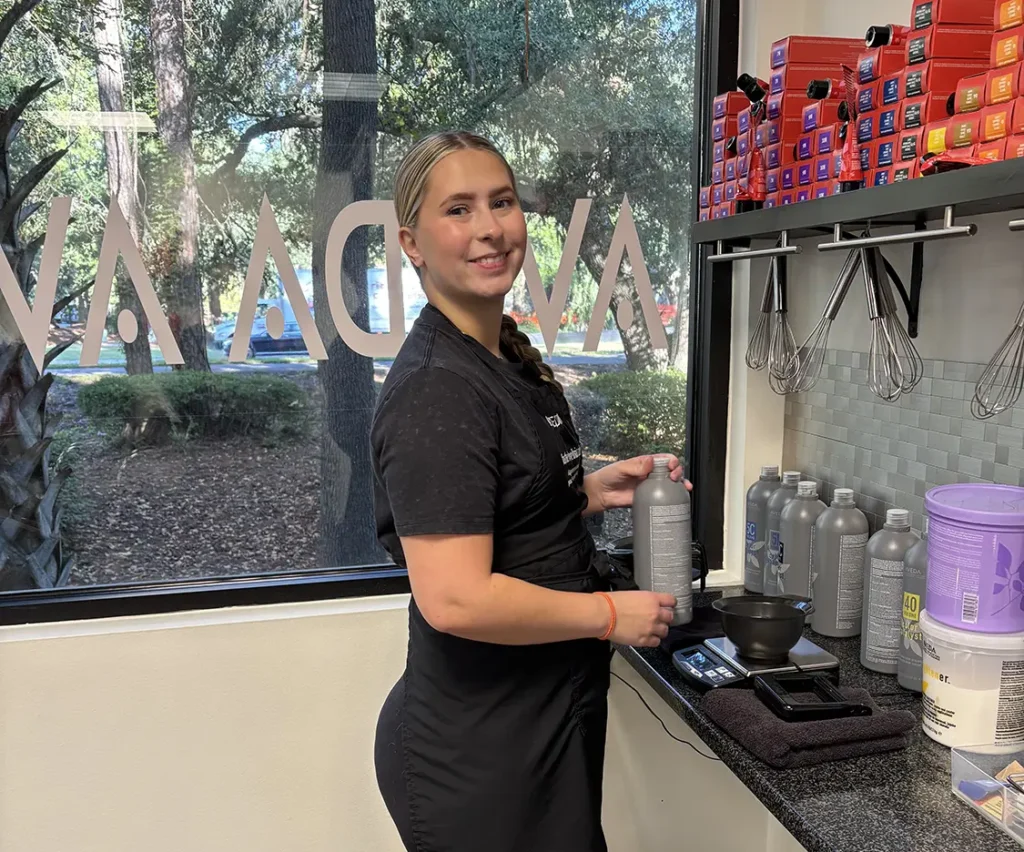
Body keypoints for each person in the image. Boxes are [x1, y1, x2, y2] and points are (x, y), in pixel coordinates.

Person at [371, 130, 690, 852]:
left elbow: (496, 508)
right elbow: (454, 597)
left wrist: (591, 492)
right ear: (412, 242)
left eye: (501, 202)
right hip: (479, 752)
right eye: (458, 209)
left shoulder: (497, 358)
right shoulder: (436, 393)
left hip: (539, 723)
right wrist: (608, 613)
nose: (489, 228)